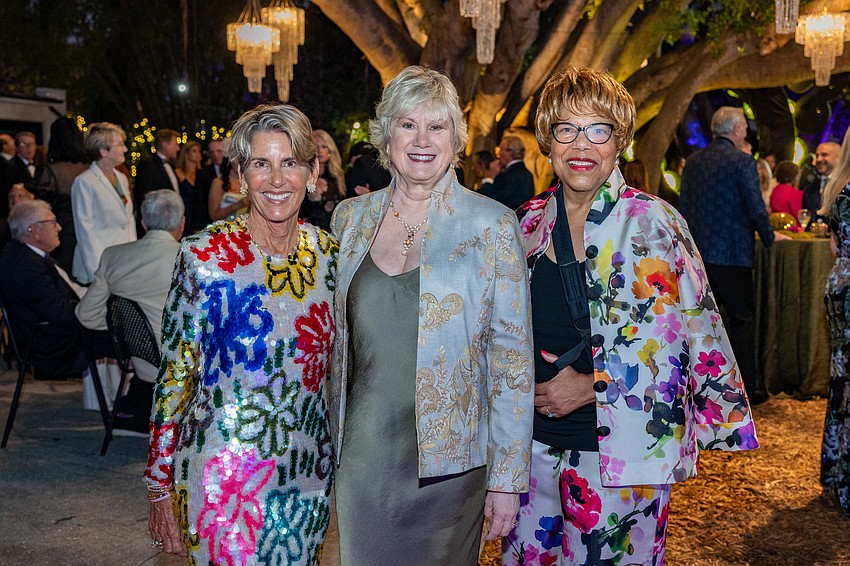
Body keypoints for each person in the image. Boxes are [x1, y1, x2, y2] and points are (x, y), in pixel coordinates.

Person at [504, 67, 760, 565]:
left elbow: (692, 342)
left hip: (623, 458)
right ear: (547, 140)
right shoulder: (526, 223)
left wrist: (592, 384)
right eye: (566, 129)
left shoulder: (654, 223)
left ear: (618, 140)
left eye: (597, 129)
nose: (581, 145)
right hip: (529, 455)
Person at [330, 65, 534, 565]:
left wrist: (507, 480)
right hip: (364, 458)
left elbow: (512, 363)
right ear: (386, 135)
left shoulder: (493, 226)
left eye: (436, 126)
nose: (422, 140)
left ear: (455, 138)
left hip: (451, 468)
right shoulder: (348, 220)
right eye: (407, 124)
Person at [145, 104, 337, 565]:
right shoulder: (203, 256)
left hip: (307, 473)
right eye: (260, 164)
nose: (276, 179)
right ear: (240, 175)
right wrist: (158, 482)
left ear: (312, 172)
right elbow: (175, 376)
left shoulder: (331, 257)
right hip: (222, 478)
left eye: (289, 163)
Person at [680, 106, 789, 405]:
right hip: (733, 254)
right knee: (742, 321)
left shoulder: (693, 162)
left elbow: (684, 207)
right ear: (738, 129)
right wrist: (769, 236)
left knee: (701, 321)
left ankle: (699, 386)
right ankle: (746, 388)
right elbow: (755, 207)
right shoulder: (742, 162)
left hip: (697, 255)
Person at [75, 190, 184, 436]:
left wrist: (127, 332)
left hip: (142, 362)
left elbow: (86, 315)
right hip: (187, 365)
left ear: (143, 223)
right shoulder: (191, 258)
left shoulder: (114, 256)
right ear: (182, 223)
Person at [0, 200, 113, 377]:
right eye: (52, 222)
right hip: (54, 344)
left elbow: (69, 292)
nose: (59, 227)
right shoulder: (26, 265)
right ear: (34, 230)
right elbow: (61, 312)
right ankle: (141, 399)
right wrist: (99, 309)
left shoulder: (28, 255)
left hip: (57, 332)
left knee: (130, 332)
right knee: (134, 338)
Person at [819, 127, 850, 516]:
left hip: (841, 286)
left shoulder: (841, 188)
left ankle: (837, 473)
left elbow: (834, 246)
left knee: (843, 381)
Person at [71, 122, 137, 285]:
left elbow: (128, 221)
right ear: (103, 151)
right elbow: (85, 230)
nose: (125, 149)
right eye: (120, 145)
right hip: (99, 265)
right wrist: (97, 274)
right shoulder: (84, 182)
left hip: (124, 263)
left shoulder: (121, 177)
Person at [30, 116, 91, 273]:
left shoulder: (49, 172)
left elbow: (39, 208)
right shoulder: (90, 169)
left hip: (61, 236)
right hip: (88, 234)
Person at [299, 129, 344, 230]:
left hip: (332, 235)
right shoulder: (302, 175)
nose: (320, 151)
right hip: (306, 234)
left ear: (330, 150)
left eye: (324, 146)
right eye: (316, 147)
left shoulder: (338, 176)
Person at [479, 135, 535, 210]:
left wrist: (489, 178)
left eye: (501, 150)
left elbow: (487, 201)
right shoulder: (528, 175)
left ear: (510, 152)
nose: (499, 153)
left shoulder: (506, 176)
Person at [802, 141, 841, 226]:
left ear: (838, 158)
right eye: (817, 156)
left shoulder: (846, 186)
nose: (818, 159)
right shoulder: (809, 189)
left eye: (824, 155)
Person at [194, 139, 226, 229]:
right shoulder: (203, 173)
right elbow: (199, 200)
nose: (215, 155)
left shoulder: (233, 171)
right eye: (212, 152)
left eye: (219, 151)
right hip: (210, 222)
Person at [175, 140, 202, 235]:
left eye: (199, 151)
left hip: (199, 214)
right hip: (184, 213)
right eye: (194, 151)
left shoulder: (202, 173)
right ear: (186, 153)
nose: (197, 154)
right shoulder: (178, 172)